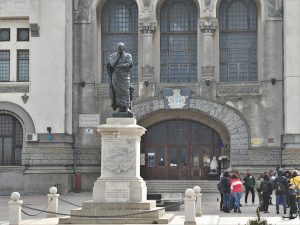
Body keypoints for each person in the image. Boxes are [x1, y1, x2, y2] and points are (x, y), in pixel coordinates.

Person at [106, 42, 134, 114]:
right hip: (116, 77)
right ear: (117, 49)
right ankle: (120, 108)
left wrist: (119, 66)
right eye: (119, 49)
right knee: (117, 93)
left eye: (121, 48)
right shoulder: (113, 55)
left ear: (124, 48)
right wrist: (118, 56)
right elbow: (112, 64)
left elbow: (129, 64)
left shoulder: (128, 55)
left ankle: (127, 108)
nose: (120, 50)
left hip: (124, 77)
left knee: (126, 92)